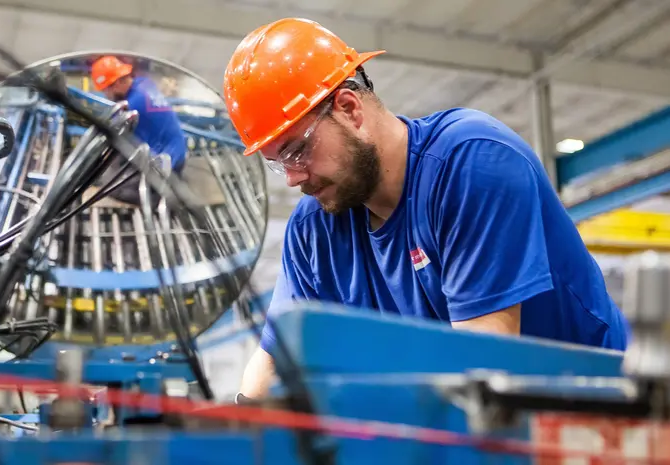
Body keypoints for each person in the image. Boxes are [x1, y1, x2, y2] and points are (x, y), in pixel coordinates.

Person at [222, 18, 631, 400]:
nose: (293, 178)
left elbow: (483, 368)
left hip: (597, 415)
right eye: (279, 163)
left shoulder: (472, 163)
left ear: (349, 109)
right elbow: (275, 362)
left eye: (297, 150)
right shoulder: (314, 230)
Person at [90, 56, 188, 205]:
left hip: (167, 164)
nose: (106, 95)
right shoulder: (144, 84)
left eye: (105, 90)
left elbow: (114, 139)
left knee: (110, 186)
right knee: (115, 165)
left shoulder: (131, 108)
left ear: (115, 84)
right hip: (177, 151)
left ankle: (163, 196)